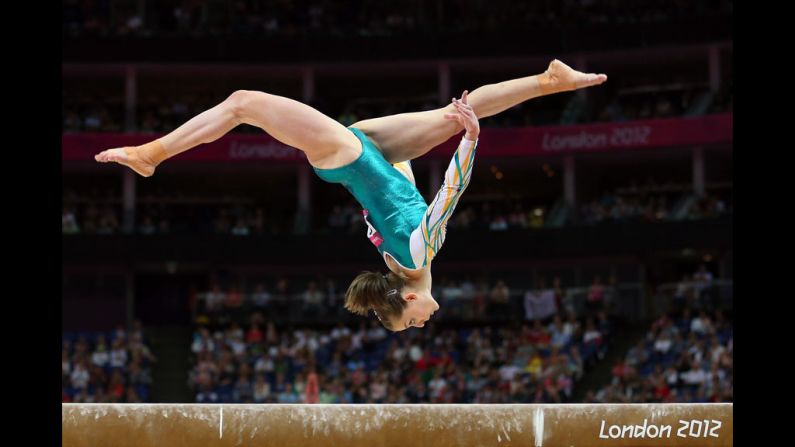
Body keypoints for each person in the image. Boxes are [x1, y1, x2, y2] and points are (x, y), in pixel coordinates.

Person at [95, 60, 607, 331]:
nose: (425, 321)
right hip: (372, 152)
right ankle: (548, 80)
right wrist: (430, 144)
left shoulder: (416, 255)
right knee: (456, 111)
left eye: (413, 322)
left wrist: (470, 143)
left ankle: (152, 154)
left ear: (407, 300)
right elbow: (396, 195)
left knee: (242, 103)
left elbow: (449, 196)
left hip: (346, 154)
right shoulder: (394, 257)